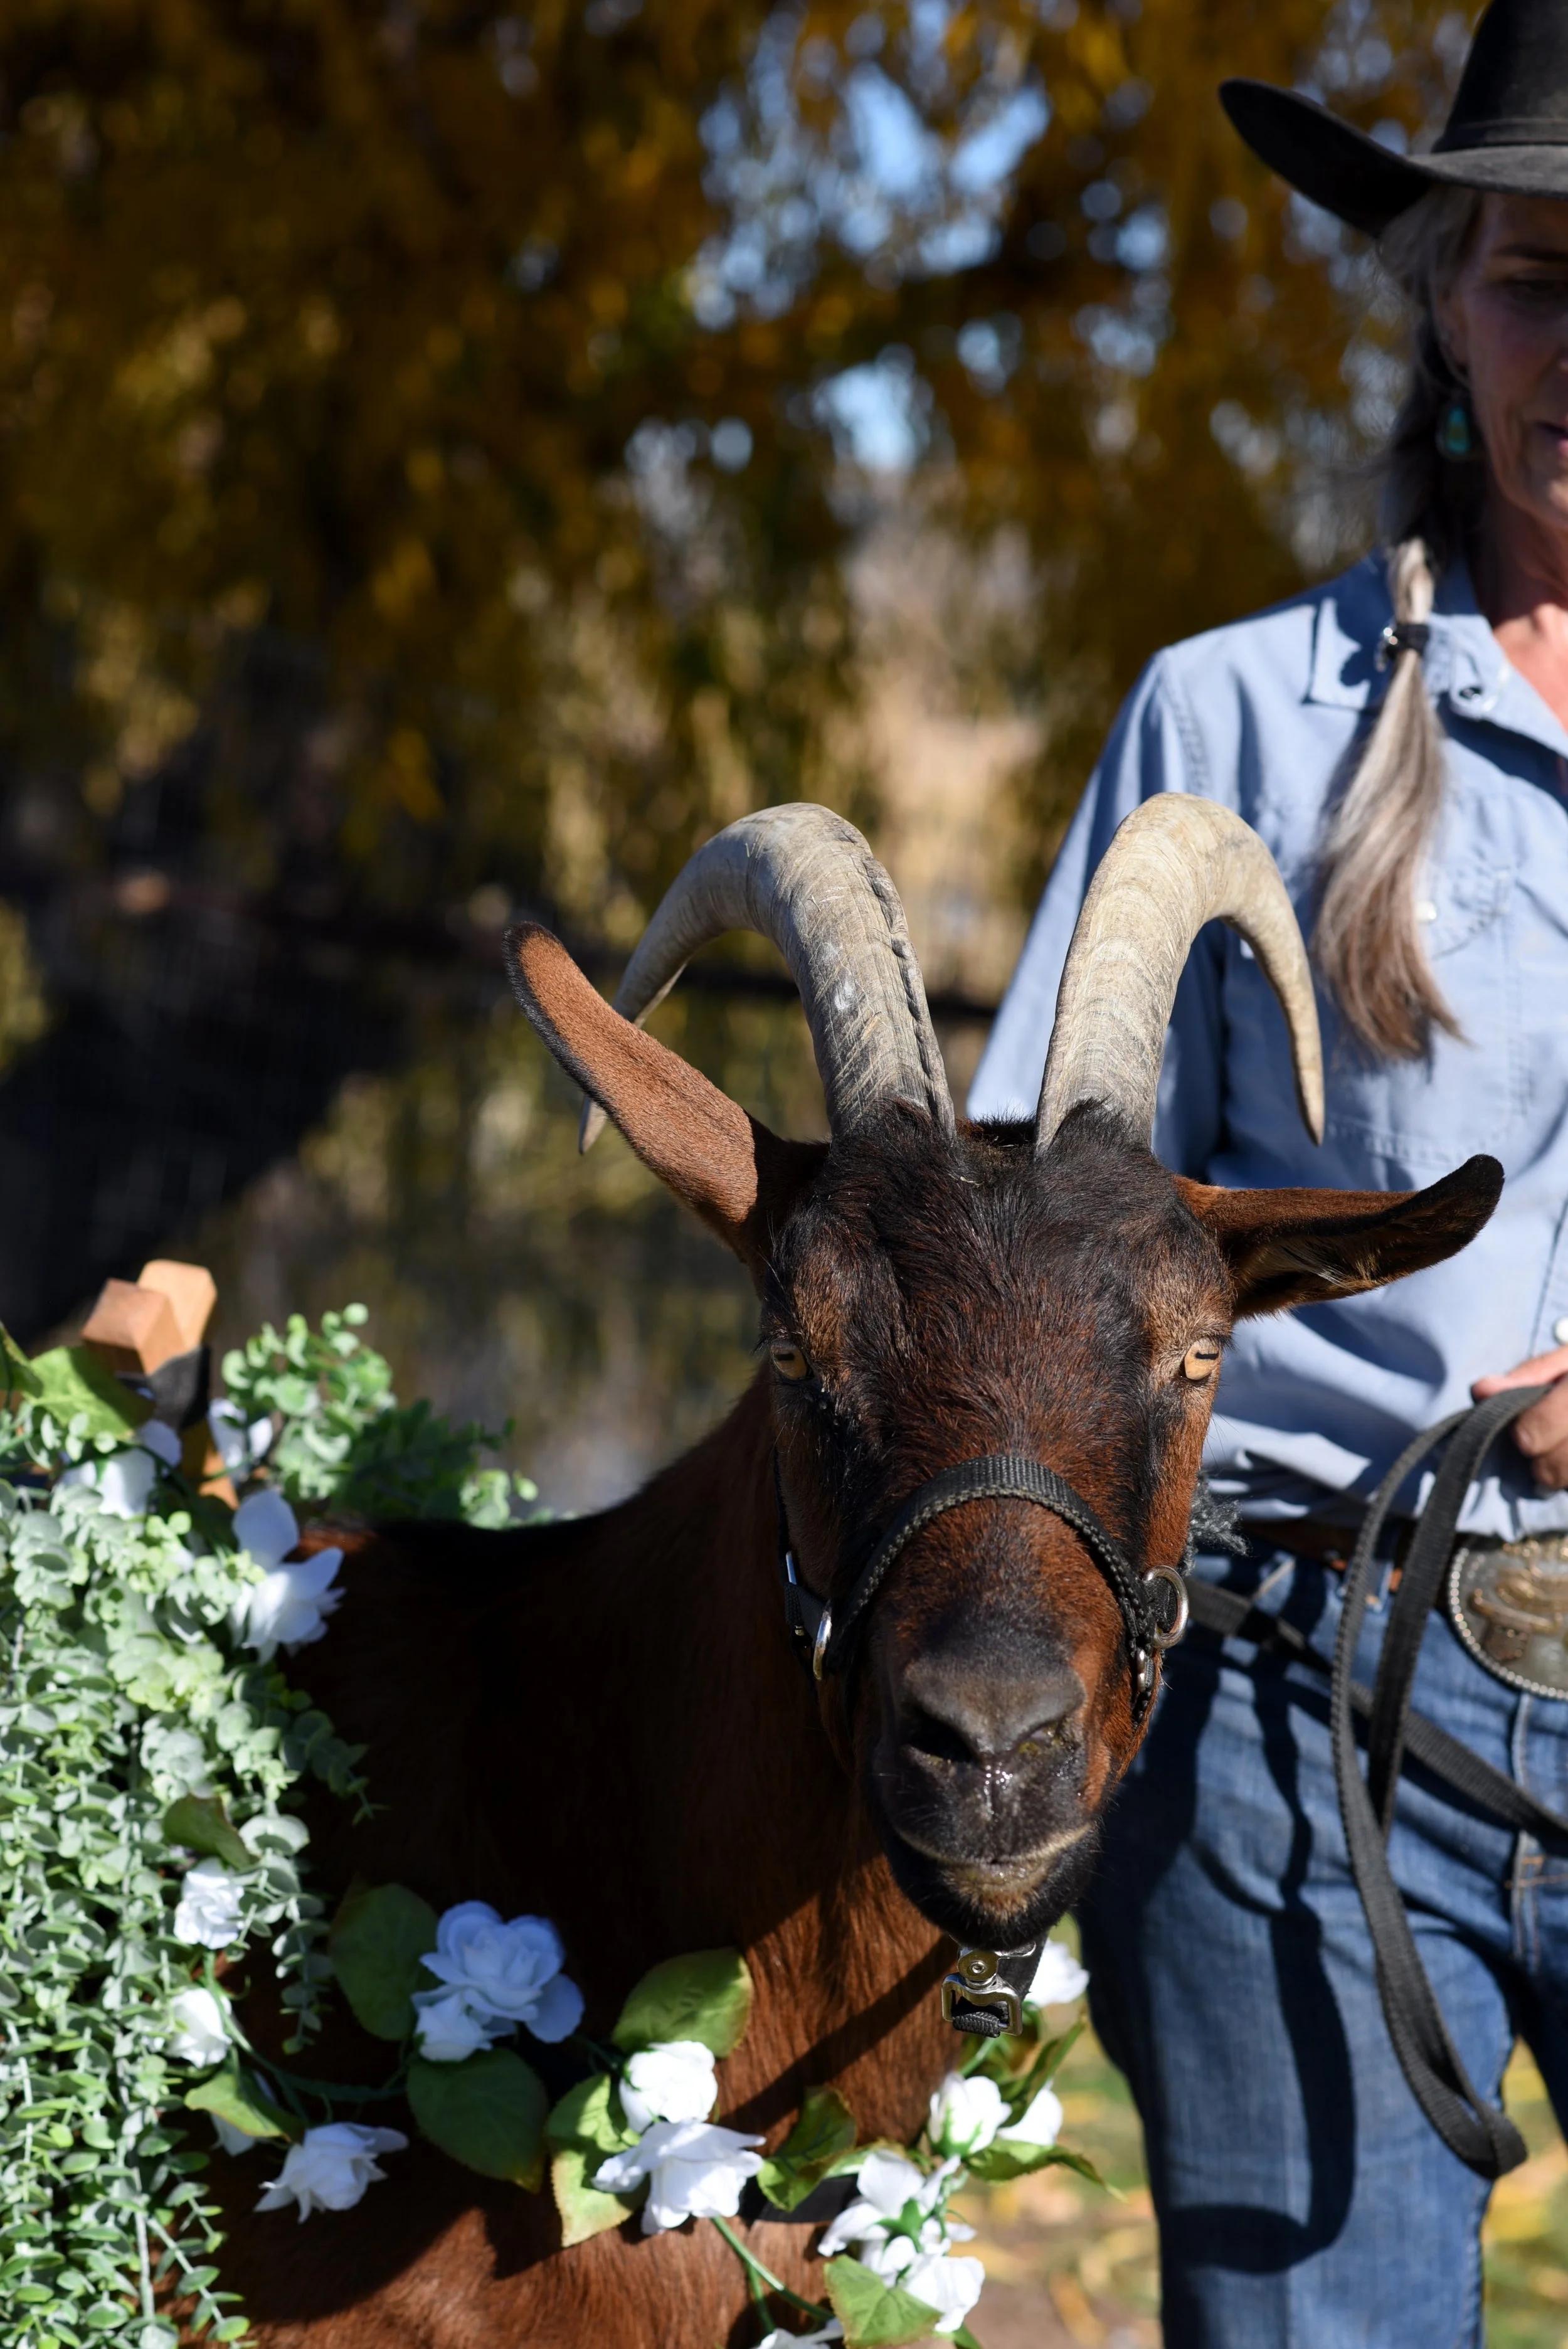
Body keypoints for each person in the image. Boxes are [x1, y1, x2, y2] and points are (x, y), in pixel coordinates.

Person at [969, 2, 1568, 2340]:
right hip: (1311, 1738)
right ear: (1433, 295)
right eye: (1539, 278)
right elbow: (1042, 1245)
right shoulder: (1228, 728)